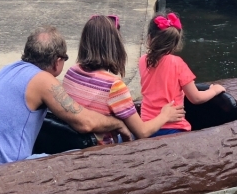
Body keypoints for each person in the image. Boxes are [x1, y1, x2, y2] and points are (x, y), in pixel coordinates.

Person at [0, 26, 132, 170]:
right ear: (57, 61)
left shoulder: (8, 69)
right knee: (80, 159)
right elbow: (84, 123)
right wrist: (117, 123)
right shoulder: (43, 81)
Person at [62, 15, 185, 144]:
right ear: (114, 46)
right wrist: (165, 115)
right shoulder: (114, 86)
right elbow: (142, 132)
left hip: (77, 142)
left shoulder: (72, 72)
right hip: (101, 149)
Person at [139, 12, 225, 137]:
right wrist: (215, 90)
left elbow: (156, 84)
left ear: (149, 38)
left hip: (147, 125)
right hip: (173, 128)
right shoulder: (178, 64)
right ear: (176, 42)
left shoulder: (143, 60)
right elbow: (196, 98)